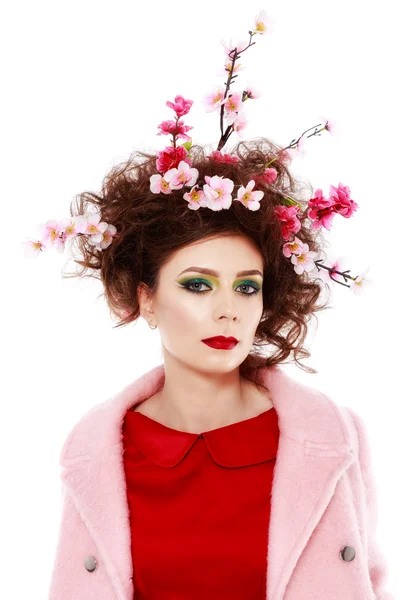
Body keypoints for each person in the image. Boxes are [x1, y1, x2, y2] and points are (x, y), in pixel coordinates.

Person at [24, 9, 393, 600]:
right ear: (145, 298)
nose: (229, 308)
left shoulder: (331, 437)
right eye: (197, 284)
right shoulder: (98, 452)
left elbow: (368, 582)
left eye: (246, 286)